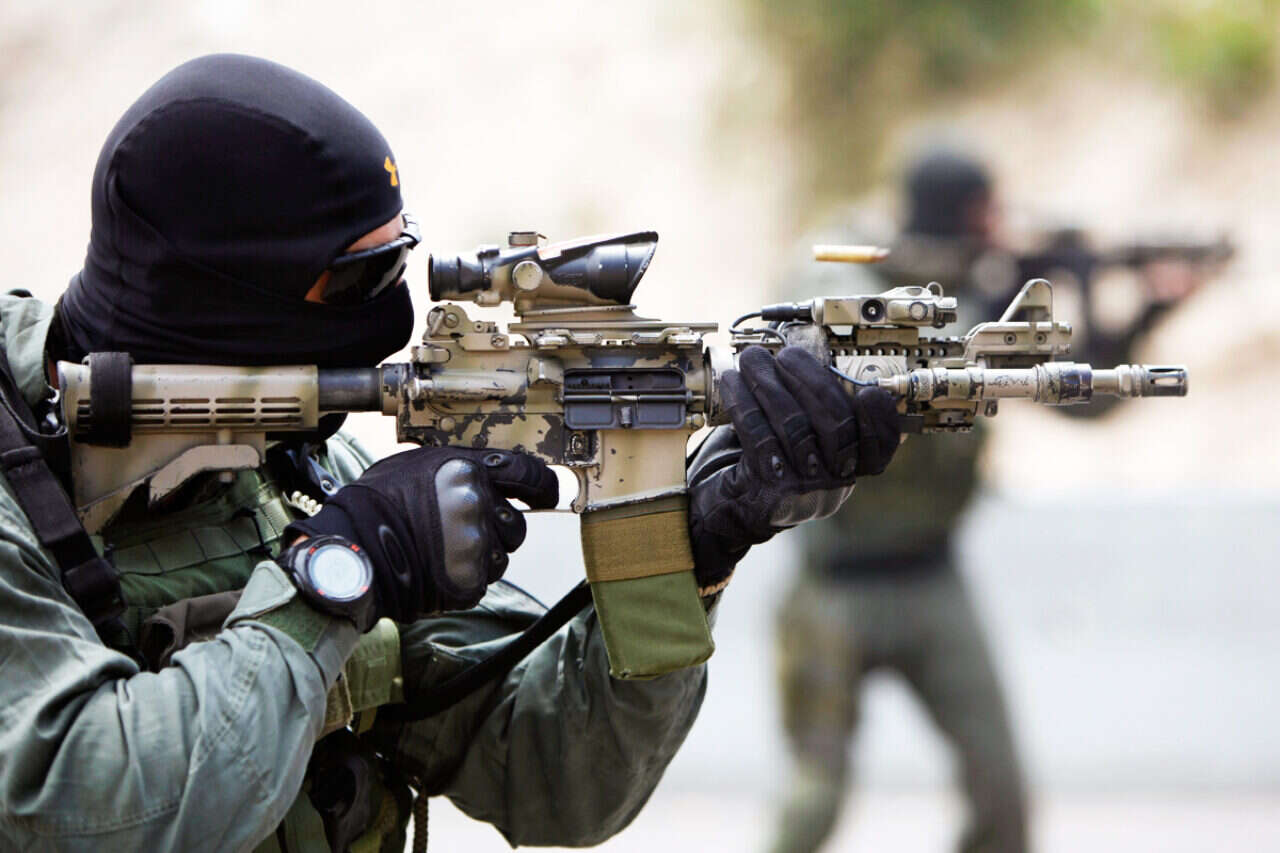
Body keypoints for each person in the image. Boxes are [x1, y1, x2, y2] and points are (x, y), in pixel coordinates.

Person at [0, 55, 902, 852]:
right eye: (359, 278)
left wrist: (687, 551)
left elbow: (557, 774)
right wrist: (337, 575)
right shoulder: (24, 500)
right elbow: (88, 800)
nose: (389, 316)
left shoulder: (293, 474)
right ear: (221, 294)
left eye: (399, 264)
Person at [767, 148, 1212, 853]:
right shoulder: (847, 264)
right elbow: (848, 356)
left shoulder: (981, 288)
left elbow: (1079, 399)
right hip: (834, 585)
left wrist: (1142, 313)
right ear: (955, 213)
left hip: (932, 575)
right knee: (815, 800)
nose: (999, 228)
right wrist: (972, 312)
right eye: (985, 214)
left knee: (1002, 797)